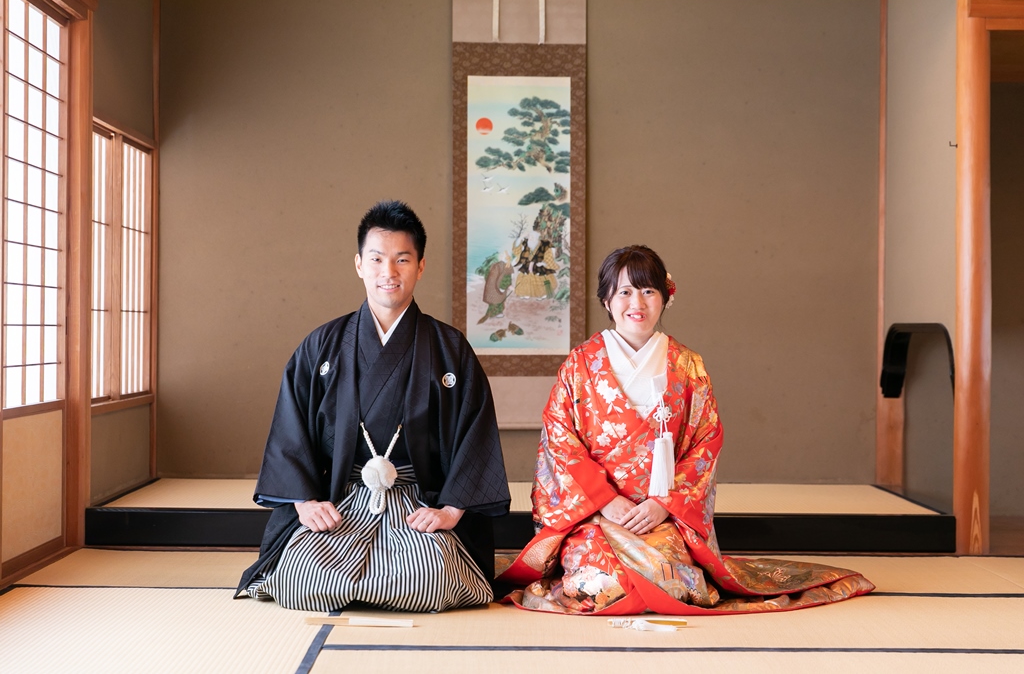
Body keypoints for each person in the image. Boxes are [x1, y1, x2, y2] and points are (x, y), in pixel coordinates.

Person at [498, 245, 874, 615]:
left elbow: (705, 441)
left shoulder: (688, 366)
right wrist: (605, 500)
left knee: (678, 584)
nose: (637, 303)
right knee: (600, 585)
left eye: (648, 291)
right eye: (625, 292)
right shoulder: (579, 365)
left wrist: (662, 504)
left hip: (661, 513)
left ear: (665, 297)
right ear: (606, 300)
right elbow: (560, 440)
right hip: (595, 515)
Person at [236, 200, 511, 613]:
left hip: (417, 501)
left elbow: (477, 433)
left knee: (431, 580)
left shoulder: (449, 348)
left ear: (420, 266)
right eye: (377, 259)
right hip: (342, 499)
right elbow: (290, 431)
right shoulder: (322, 345)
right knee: (302, 580)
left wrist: (452, 510)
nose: (389, 272)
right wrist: (305, 503)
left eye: (402, 259)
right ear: (359, 264)